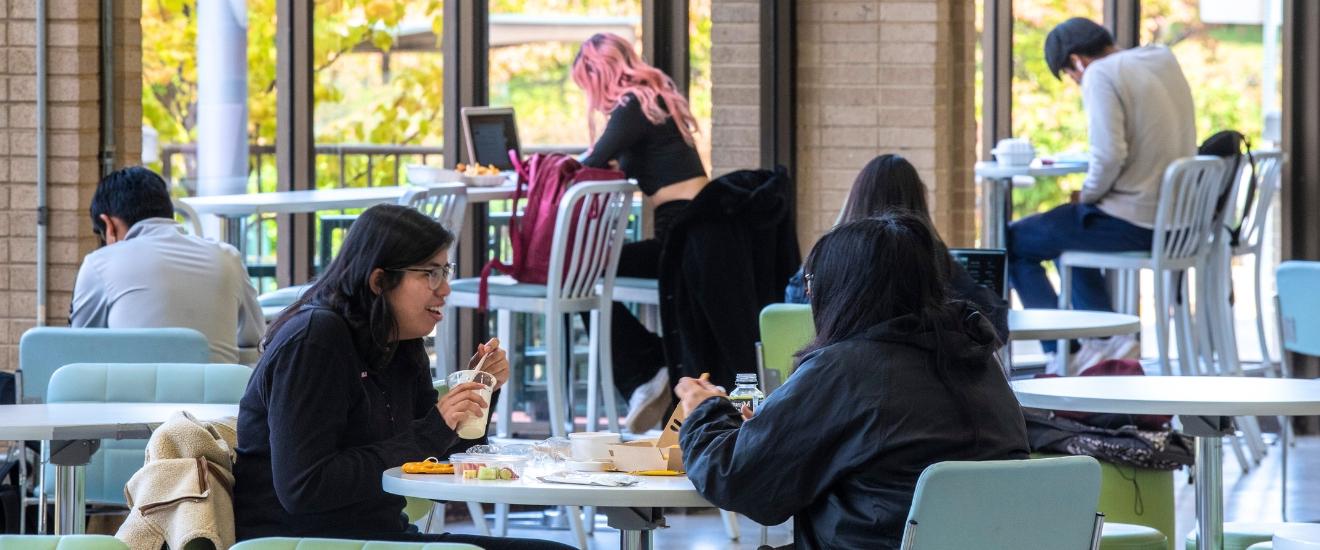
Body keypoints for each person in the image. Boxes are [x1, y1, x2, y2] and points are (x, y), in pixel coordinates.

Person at [676, 213, 1029, 550]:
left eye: (812, 284)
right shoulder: (981, 363)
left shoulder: (843, 370)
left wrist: (705, 411)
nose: (811, 296)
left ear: (843, 291)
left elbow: (736, 480)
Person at [233, 204, 572, 550]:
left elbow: (441, 455)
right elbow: (304, 487)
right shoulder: (315, 340)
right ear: (379, 280)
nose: (445, 289)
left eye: (445, 271)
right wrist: (433, 430)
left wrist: (480, 390)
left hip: (382, 538)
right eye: (430, 273)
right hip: (302, 543)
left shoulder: (399, 341)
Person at [1008, 17, 1195, 355]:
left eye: (1069, 75)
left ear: (1077, 61)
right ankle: (1108, 343)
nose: (1076, 82)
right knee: (1068, 231)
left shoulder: (1100, 73)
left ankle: (1066, 353)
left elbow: (1109, 156)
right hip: (1179, 222)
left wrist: (1088, 194)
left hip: (1139, 223)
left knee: (1013, 241)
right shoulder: (1161, 58)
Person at [571, 32, 709, 432]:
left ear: (599, 73)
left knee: (579, 275)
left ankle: (647, 367)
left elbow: (590, 162)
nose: (592, 99)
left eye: (588, 85)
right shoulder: (654, 99)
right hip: (694, 232)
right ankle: (649, 368)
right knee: (588, 273)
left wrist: (544, 168)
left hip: (679, 239)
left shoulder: (632, 104)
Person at [785, 154, 1009, 342]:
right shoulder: (927, 258)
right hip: (909, 384)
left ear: (855, 197)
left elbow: (792, 313)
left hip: (820, 382)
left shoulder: (823, 259)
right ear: (917, 202)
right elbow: (993, 320)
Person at [70, 166, 263, 364]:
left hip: (131, 394)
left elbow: (79, 351)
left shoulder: (100, 263)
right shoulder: (229, 258)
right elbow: (255, 342)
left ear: (109, 224)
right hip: (217, 393)